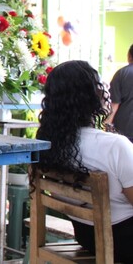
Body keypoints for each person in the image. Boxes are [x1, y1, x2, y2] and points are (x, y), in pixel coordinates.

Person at [34, 60, 133, 263]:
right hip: (124, 243)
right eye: (99, 83)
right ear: (90, 94)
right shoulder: (115, 146)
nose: (105, 87)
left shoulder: (49, 143)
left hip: (87, 238)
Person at [107, 44, 133, 141]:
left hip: (124, 129)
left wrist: (107, 125)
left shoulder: (122, 73)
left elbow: (114, 104)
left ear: (129, 56)